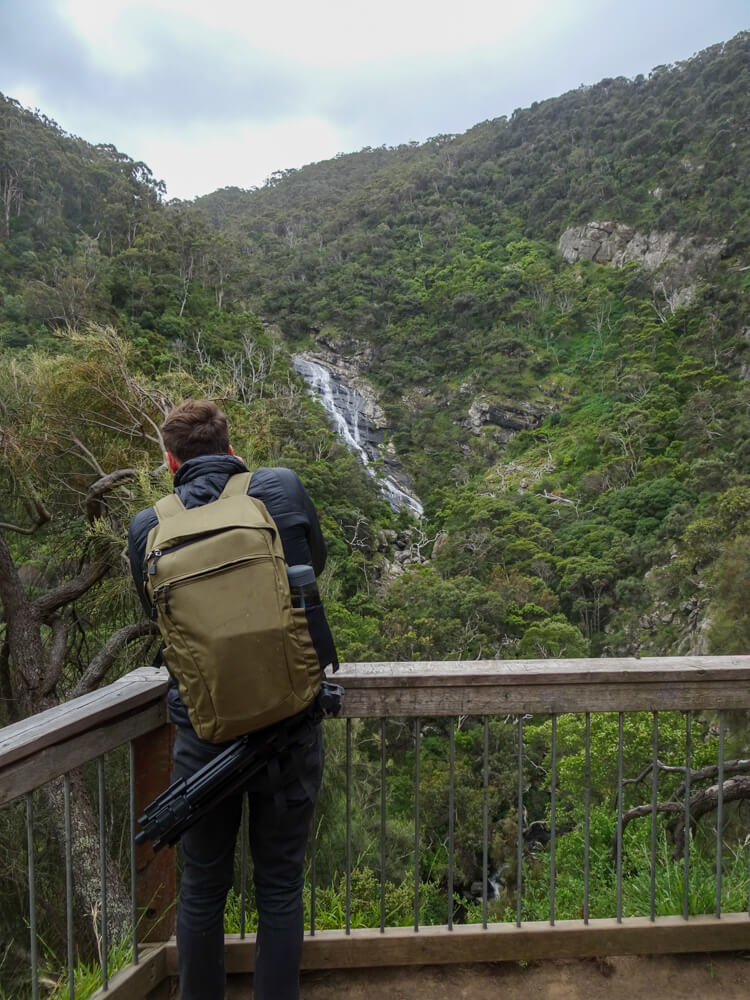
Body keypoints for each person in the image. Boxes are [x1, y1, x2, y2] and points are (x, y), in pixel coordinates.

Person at [128, 399, 331, 1000]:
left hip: (203, 734)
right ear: (229, 444)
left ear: (171, 460)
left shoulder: (149, 526)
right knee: (278, 886)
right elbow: (311, 564)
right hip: (290, 722)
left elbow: (156, 619)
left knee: (202, 890)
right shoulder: (279, 489)